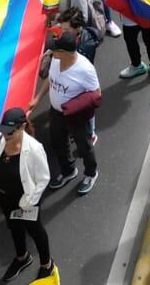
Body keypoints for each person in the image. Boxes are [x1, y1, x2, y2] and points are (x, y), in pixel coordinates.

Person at [0, 107, 54, 283]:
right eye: (4, 130)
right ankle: (22, 258)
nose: (6, 135)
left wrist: (28, 202)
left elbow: (43, 179)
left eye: (10, 131)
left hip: (26, 200)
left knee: (35, 230)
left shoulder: (34, 149)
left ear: (22, 127)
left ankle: (47, 264)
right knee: (14, 227)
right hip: (5, 198)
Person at [35, 31, 101, 195]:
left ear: (64, 52)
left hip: (75, 116)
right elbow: (50, 79)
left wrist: (74, 107)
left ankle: (91, 174)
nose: (51, 52)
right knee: (58, 143)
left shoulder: (85, 69)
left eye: (55, 50)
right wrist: (37, 98)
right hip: (56, 112)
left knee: (84, 146)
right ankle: (68, 171)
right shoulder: (56, 61)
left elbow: (96, 94)